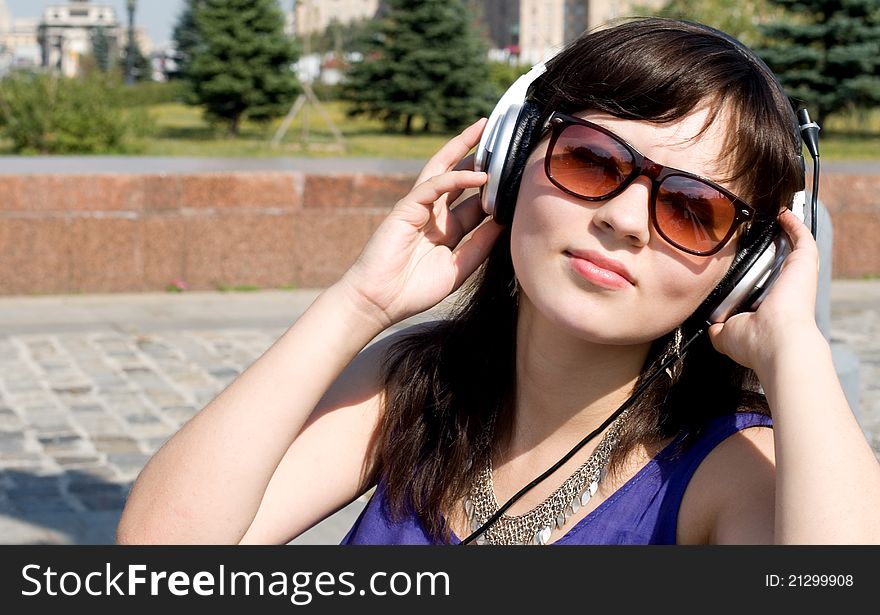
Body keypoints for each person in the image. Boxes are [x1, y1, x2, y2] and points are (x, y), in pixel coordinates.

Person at [116, 17, 880, 545]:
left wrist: (794, 350)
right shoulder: (412, 386)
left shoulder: (726, 473)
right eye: (593, 160)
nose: (625, 219)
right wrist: (359, 303)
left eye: (691, 208)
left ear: (741, 269)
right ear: (514, 160)